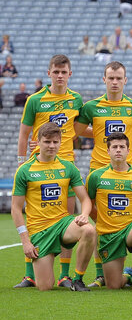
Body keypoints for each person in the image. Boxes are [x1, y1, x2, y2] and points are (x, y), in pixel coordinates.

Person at [15, 55, 86, 288]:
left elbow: (79, 130)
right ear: (49, 73)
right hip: (40, 164)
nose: (60, 76)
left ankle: (65, 274)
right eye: (56, 71)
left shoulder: (76, 99)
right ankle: (29, 274)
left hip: (66, 168)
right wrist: (21, 161)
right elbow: (25, 133)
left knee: (66, 219)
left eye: (64, 72)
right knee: (35, 216)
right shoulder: (35, 100)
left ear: (70, 74)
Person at [12, 122, 96, 292]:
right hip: (40, 231)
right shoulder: (25, 170)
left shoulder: (68, 167)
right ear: (38, 141)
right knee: (45, 287)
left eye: (55, 142)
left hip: (63, 224)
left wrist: (85, 214)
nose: (52, 146)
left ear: (60, 143)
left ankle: (78, 279)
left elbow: (85, 199)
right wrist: (26, 242)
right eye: (47, 142)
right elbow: (15, 208)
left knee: (89, 230)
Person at [85, 132, 132, 290]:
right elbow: (89, 205)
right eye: (114, 147)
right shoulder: (96, 176)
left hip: (131, 228)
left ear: (129, 151)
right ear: (107, 151)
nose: (118, 150)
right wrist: (101, 221)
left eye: (122, 147)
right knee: (113, 286)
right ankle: (129, 276)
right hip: (109, 233)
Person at [75, 61, 132, 172]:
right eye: (111, 78)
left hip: (126, 167)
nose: (114, 82)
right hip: (99, 168)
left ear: (125, 80)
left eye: (119, 78)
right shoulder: (91, 107)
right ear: (104, 80)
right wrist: (99, 133)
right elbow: (75, 131)